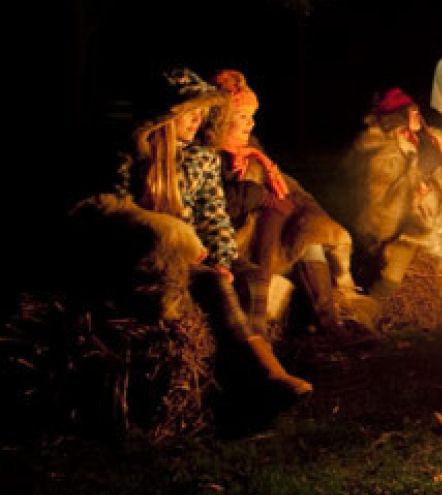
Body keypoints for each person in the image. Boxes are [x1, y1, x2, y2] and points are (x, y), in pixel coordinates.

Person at [109, 67, 312, 400]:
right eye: (191, 110)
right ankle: (267, 373)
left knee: (251, 277)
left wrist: (223, 259)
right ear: (165, 115)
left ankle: (253, 365)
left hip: (202, 254)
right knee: (213, 284)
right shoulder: (133, 160)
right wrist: (178, 243)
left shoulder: (200, 159)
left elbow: (213, 216)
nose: (198, 118)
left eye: (203, 111)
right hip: (156, 258)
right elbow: (118, 215)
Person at [204, 69, 375, 345]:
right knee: (287, 224)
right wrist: (261, 196)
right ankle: (261, 342)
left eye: (252, 117)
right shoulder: (210, 156)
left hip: (266, 236)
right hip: (238, 242)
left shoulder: (252, 153)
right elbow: (218, 204)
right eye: (242, 117)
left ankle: (328, 322)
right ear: (222, 120)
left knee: (309, 235)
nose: (250, 124)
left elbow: (287, 187)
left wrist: (304, 211)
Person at [342, 88, 442, 306]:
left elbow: (416, 179)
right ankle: (374, 303)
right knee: (408, 244)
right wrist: (421, 193)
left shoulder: (411, 141)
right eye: (413, 112)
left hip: (406, 213)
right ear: (399, 118)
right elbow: (381, 205)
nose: (419, 116)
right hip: (383, 226)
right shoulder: (383, 153)